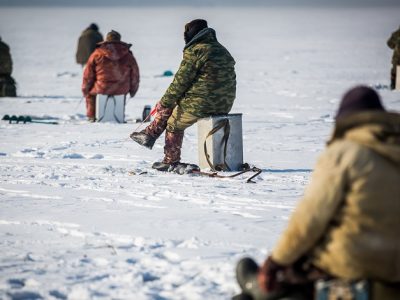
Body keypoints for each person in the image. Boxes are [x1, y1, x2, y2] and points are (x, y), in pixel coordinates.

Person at [234, 86, 400, 300]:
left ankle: (260, 288)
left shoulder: (346, 152)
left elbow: (310, 218)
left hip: (353, 268)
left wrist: (276, 261)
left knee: (280, 282)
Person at [130, 19, 236, 171]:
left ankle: (169, 160)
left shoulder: (196, 50)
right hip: (224, 103)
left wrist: (164, 102)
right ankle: (149, 134)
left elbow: (180, 82)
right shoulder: (222, 49)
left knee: (174, 123)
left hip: (203, 102)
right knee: (174, 104)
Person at [81, 30, 140, 122]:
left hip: (101, 87)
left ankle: (92, 117)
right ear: (119, 40)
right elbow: (135, 75)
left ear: (106, 40)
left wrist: (85, 90)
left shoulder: (97, 54)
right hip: (121, 88)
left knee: (91, 95)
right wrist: (133, 90)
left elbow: (88, 75)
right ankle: (119, 118)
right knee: (120, 93)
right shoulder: (128, 55)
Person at [387, 25, 400, 90]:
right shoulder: (396, 34)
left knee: (395, 71)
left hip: (397, 58)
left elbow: (389, 44)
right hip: (397, 58)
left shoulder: (396, 33)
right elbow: (389, 44)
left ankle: (394, 86)